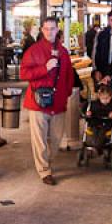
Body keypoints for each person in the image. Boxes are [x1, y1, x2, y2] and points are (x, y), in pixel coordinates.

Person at [20, 16, 74, 185]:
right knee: (40, 140)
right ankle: (44, 171)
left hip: (58, 102)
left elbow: (69, 75)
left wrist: (66, 94)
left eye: (53, 28)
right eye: (46, 29)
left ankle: (48, 164)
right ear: (42, 30)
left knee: (57, 139)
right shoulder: (33, 50)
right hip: (38, 103)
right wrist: (45, 68)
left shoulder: (64, 52)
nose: (50, 32)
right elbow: (24, 74)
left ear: (58, 29)